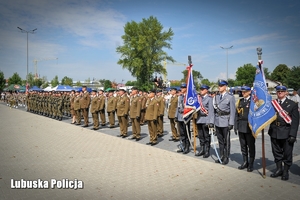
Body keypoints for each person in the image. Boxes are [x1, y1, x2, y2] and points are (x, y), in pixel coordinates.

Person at [268, 85, 299, 180]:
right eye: (278, 91)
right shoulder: (272, 103)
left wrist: (293, 134)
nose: (280, 92)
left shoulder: (292, 104)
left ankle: (285, 171)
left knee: (287, 153)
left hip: (286, 132)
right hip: (274, 131)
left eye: (282, 91)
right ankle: (279, 169)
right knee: (276, 152)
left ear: (286, 92)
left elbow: (295, 121)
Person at [213, 80, 236, 165]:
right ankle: (221, 156)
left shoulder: (230, 97)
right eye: (219, 85)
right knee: (220, 141)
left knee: (226, 141)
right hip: (218, 121)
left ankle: (226, 157)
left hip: (226, 121)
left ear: (225, 86)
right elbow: (215, 111)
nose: (219, 87)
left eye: (221, 85)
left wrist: (231, 123)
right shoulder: (217, 96)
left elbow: (233, 111)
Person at [234, 86, 256, 172]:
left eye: (245, 92)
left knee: (251, 146)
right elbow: (237, 115)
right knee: (243, 146)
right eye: (242, 92)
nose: (243, 93)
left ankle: (251, 163)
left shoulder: (253, 102)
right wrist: (236, 126)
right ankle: (245, 162)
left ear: (249, 92)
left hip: (249, 127)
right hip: (241, 126)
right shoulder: (240, 101)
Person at [195, 85, 214, 158]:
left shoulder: (209, 99)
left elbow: (211, 111)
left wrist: (210, 122)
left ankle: (207, 151)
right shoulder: (199, 98)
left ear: (206, 90)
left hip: (206, 119)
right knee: (201, 136)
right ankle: (202, 149)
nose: (201, 91)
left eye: (202, 89)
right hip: (199, 119)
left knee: (206, 136)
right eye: (200, 89)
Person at [175, 83, 191, 154]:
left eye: (183, 87)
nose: (181, 89)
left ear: (186, 88)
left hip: (185, 117)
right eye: (181, 87)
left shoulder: (189, 97)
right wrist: (176, 116)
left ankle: (187, 147)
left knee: (186, 132)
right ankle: (183, 146)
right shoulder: (180, 97)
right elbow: (177, 107)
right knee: (181, 133)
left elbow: (190, 108)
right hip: (180, 116)